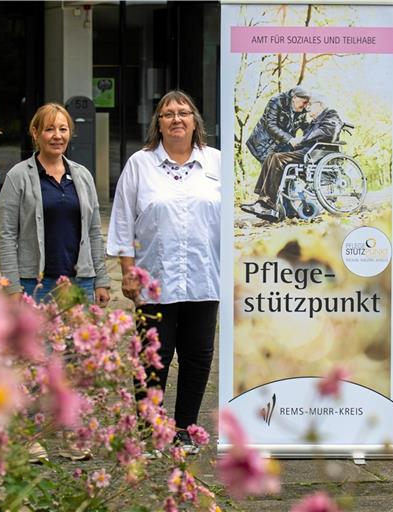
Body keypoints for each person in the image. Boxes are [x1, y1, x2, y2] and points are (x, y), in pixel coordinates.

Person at [107, 90, 221, 454]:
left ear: (194, 121)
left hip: (205, 278)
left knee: (197, 357)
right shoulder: (139, 165)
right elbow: (123, 220)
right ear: (158, 122)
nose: (176, 118)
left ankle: (185, 429)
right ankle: (149, 430)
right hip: (154, 279)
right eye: (168, 113)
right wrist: (127, 272)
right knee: (153, 357)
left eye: (184, 112)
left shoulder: (218, 163)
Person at [0, 103, 111, 306]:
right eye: (49, 129)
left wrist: (101, 280)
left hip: (80, 283)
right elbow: (7, 236)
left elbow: (94, 232)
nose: (57, 136)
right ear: (35, 133)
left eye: (63, 129)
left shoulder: (83, 176)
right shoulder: (18, 176)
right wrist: (12, 286)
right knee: (39, 339)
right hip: (35, 284)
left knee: (78, 338)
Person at [241, 96, 342, 220]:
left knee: (277, 159)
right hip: (309, 152)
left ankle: (266, 203)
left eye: (310, 105)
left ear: (320, 105)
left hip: (317, 154)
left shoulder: (331, 115)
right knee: (271, 156)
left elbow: (328, 133)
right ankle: (264, 202)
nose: (307, 108)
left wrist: (303, 139)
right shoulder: (314, 121)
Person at [246, 86, 311, 163]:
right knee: (269, 170)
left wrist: (315, 133)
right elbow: (270, 125)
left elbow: (304, 125)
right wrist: (290, 139)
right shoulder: (276, 101)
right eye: (304, 102)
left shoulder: (301, 110)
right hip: (265, 144)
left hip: (283, 145)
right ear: (294, 98)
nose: (305, 106)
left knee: (283, 170)